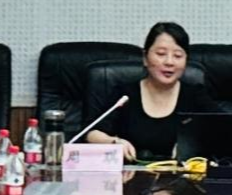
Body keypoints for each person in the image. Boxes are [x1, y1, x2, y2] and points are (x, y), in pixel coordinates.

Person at [86, 21, 219, 161]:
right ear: (145, 58)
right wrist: (114, 142)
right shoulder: (124, 94)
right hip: (130, 172)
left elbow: (225, 129)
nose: (169, 62)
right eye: (161, 54)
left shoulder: (195, 96)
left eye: (178, 56)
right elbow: (91, 133)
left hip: (179, 173)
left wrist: (194, 145)